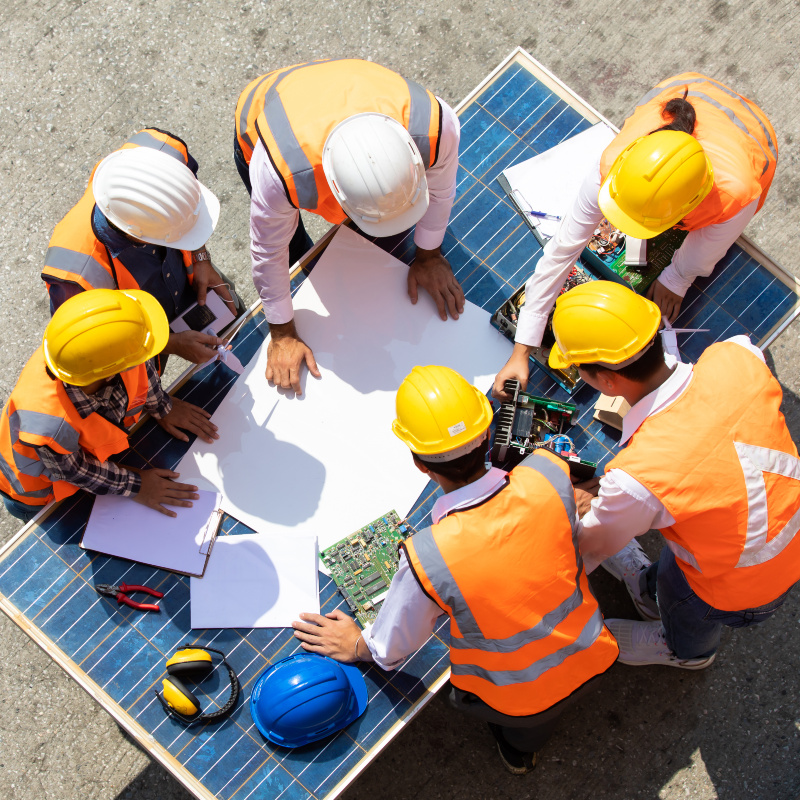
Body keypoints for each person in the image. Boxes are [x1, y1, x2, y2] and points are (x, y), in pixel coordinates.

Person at [292, 365, 618, 774]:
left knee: (525, 724)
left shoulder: (427, 557)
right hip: (595, 644)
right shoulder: (549, 472)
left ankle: (520, 751)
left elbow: (390, 651)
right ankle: (523, 745)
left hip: (520, 695)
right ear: (486, 436)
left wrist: (358, 645)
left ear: (420, 465)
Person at [547, 280, 800, 669]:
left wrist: (584, 510)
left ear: (607, 381)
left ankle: (686, 653)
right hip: (780, 538)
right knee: (671, 575)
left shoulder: (639, 476)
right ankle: (651, 592)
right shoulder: (736, 354)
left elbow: (592, 549)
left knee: (688, 608)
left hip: (739, 589)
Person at [494, 72, 778, 399]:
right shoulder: (613, 165)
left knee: (710, 240)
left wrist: (678, 277)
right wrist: (521, 351)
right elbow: (561, 252)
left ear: (687, 209)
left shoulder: (734, 195)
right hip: (689, 88)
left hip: (754, 139)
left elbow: (706, 248)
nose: (623, 234)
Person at [234, 59, 464, 394]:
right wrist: (282, 332)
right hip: (263, 113)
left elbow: (441, 190)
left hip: (347, 90)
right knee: (296, 252)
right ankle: (308, 263)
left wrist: (429, 255)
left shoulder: (435, 127)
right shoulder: (280, 171)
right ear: (337, 193)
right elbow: (269, 250)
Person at [0, 289, 219, 523]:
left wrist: (163, 407)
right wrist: (137, 486)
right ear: (108, 374)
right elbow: (76, 472)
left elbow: (139, 367)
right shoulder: (48, 425)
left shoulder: (94, 355)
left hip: (89, 466)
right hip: (39, 494)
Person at [42, 129, 242, 368]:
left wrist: (201, 257)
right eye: (177, 236)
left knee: (239, 328)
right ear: (139, 235)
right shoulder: (75, 278)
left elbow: (189, 209)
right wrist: (171, 343)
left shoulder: (165, 149)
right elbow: (103, 346)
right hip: (140, 332)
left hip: (193, 280)